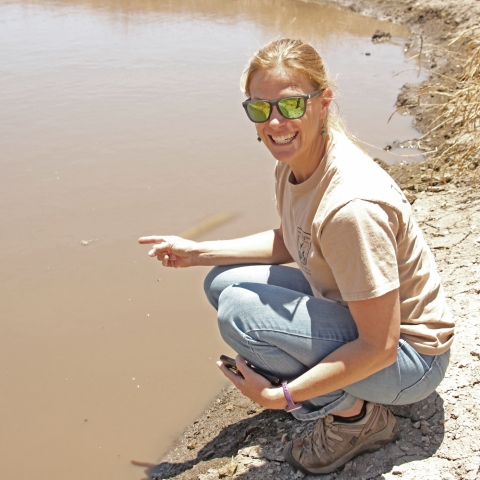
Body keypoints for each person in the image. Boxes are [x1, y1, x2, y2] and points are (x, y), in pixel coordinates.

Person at [138, 39, 454, 475]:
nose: (274, 123)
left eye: (289, 106)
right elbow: (295, 239)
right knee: (221, 281)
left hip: (409, 362)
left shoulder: (351, 208)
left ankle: (357, 420)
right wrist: (197, 252)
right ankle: (330, 390)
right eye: (259, 109)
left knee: (240, 313)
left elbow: (380, 347)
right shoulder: (295, 163)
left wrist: (281, 397)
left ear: (324, 103)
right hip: (363, 321)